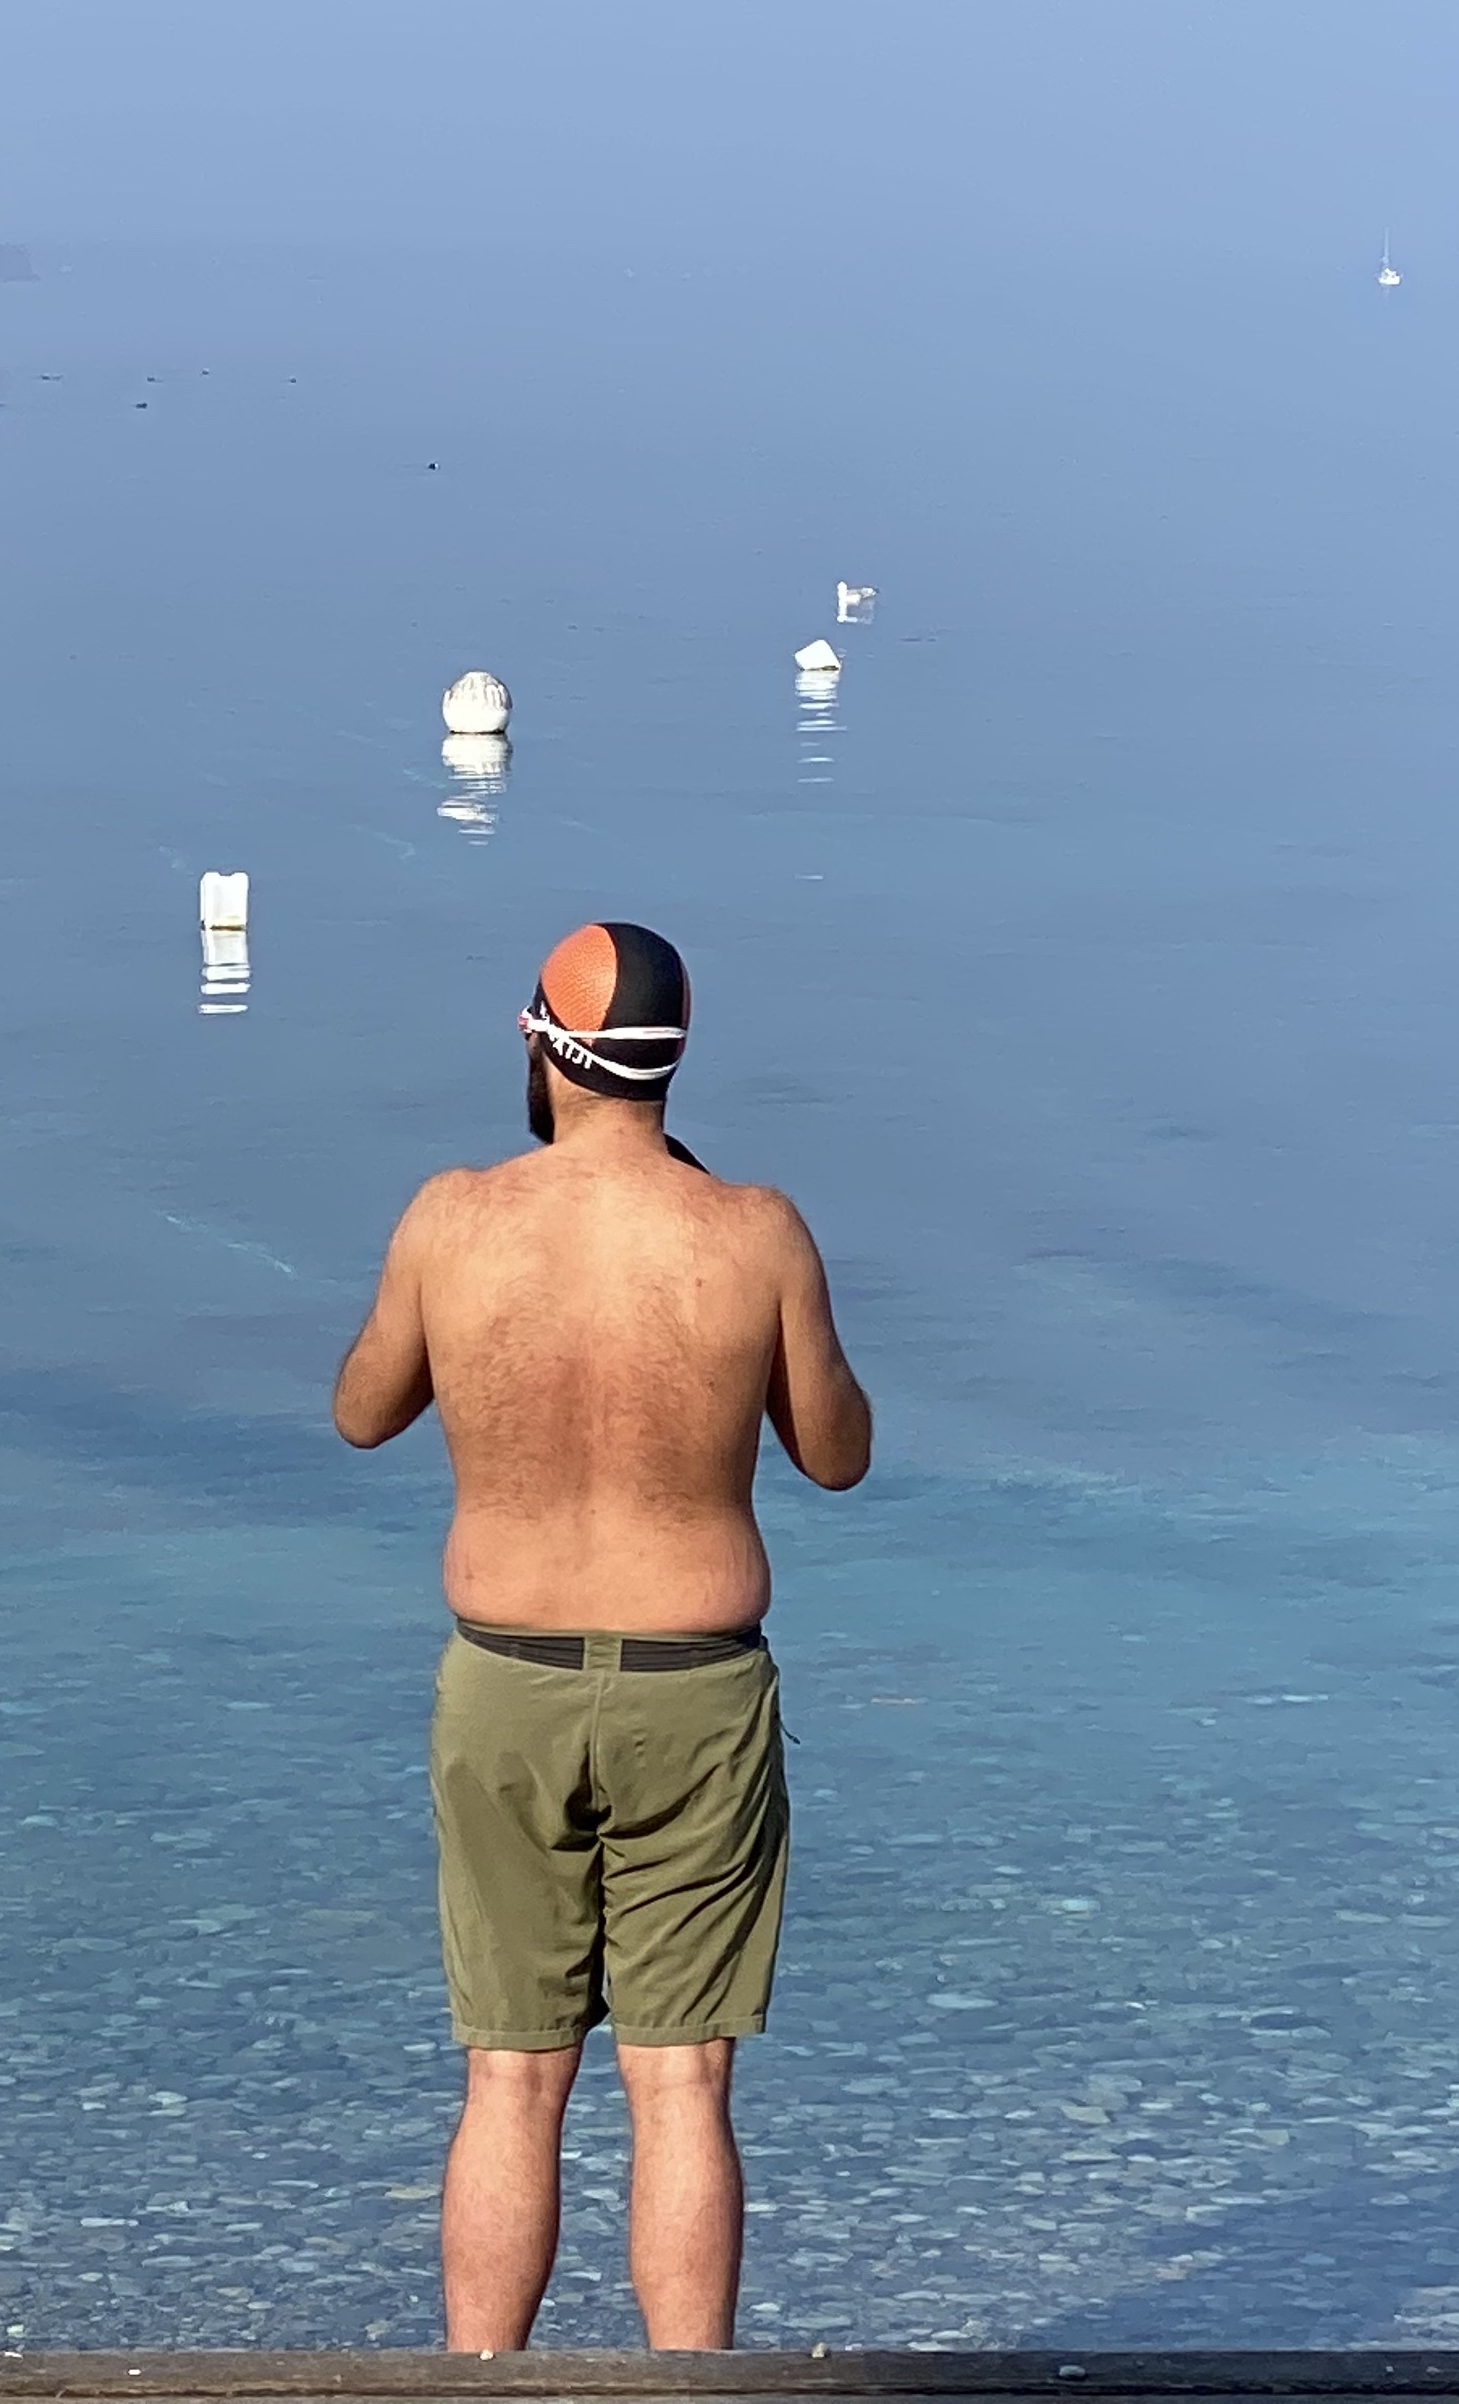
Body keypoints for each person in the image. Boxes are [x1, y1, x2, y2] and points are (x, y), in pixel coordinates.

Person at [332, 918, 873, 2351]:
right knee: (681, 2084)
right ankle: (690, 2394)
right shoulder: (754, 1232)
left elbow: (362, 1408)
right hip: (695, 1691)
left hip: (503, 1682)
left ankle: (475, 2391)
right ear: (673, 1066)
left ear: (539, 1046)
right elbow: (838, 1453)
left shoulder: (451, 1216)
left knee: (509, 2080)